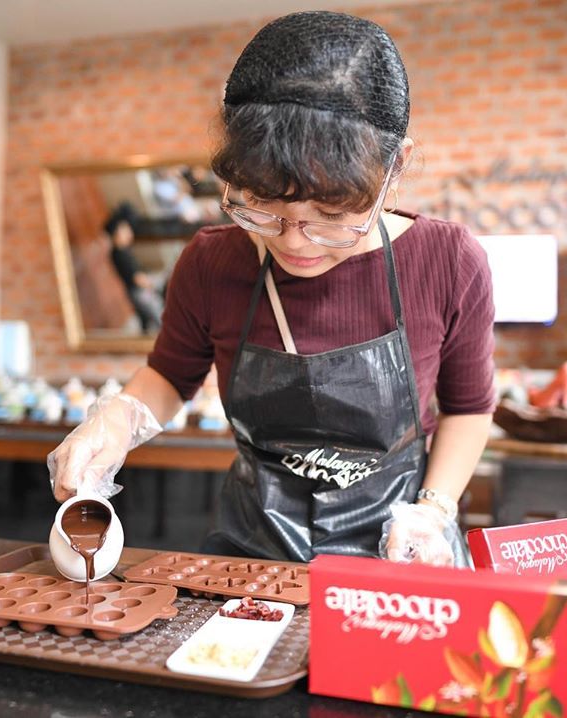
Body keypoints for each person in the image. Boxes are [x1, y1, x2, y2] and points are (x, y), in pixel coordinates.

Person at [49, 11, 495, 567]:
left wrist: (434, 509)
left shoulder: (448, 262)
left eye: (332, 215)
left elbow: (470, 408)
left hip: (400, 548)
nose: (296, 242)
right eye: (263, 208)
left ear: (395, 168)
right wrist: (115, 421)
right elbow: (170, 375)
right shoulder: (211, 262)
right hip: (249, 550)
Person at [104, 202, 165, 332]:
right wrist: (155, 287)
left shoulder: (120, 251)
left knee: (146, 321)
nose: (129, 233)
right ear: (117, 233)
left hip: (135, 292)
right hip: (140, 293)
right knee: (159, 319)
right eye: (124, 230)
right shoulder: (120, 254)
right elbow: (137, 278)